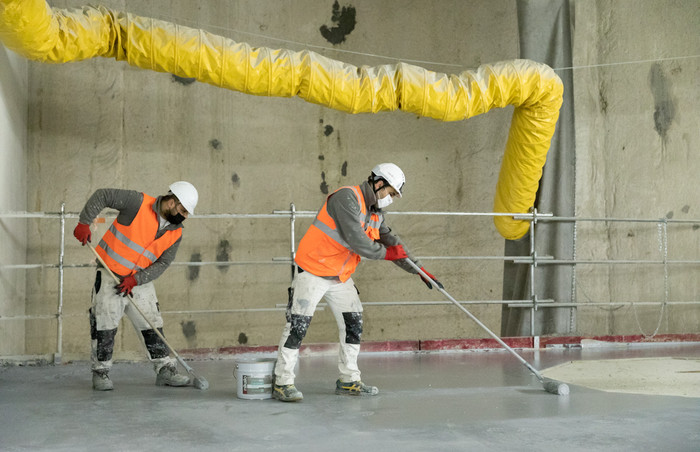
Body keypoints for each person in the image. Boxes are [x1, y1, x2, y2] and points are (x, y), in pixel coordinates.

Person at [272, 163, 442, 402]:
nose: (391, 199)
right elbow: (359, 241)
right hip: (313, 270)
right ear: (379, 183)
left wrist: (419, 269)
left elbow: (393, 243)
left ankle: (348, 380)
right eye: (391, 193)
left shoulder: (375, 212)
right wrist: (388, 254)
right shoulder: (347, 198)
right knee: (297, 326)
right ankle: (282, 382)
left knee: (354, 322)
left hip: (339, 276)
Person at [72, 181, 199, 391]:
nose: (184, 216)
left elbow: (164, 263)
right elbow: (102, 194)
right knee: (105, 324)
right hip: (109, 274)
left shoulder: (175, 233)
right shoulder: (137, 203)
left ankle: (165, 370)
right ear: (172, 201)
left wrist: (136, 280)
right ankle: (101, 372)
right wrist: (84, 222)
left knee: (152, 324)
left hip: (139, 281)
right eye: (183, 210)